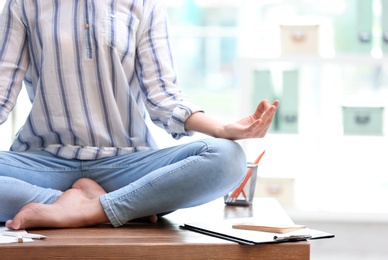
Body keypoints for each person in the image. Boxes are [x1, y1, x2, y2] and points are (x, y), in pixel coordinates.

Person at [0, 0, 279, 230]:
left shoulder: (145, 4)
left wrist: (221, 128)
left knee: (228, 159)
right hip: (42, 165)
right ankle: (109, 205)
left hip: (128, 166)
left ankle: (87, 209)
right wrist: (138, 201)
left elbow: (162, 96)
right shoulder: (24, 4)